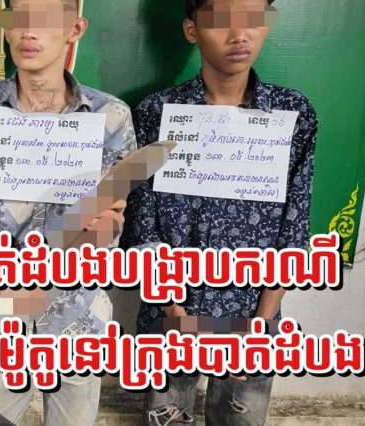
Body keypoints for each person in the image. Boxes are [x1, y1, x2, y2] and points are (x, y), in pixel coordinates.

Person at [120, 0, 318, 424]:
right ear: (192, 30)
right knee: (166, 417)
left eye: (252, 20)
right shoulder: (156, 113)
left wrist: (261, 324)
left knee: (241, 419)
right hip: (170, 313)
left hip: (254, 313)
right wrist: (174, 312)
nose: (238, 35)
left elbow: (295, 226)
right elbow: (141, 223)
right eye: (221, 22)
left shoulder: (292, 114)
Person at [0, 0, 137, 424]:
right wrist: (7, 271)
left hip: (78, 315)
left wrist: (104, 229)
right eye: (18, 17)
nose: (29, 31)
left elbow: (112, 225)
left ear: (75, 29)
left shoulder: (111, 117)